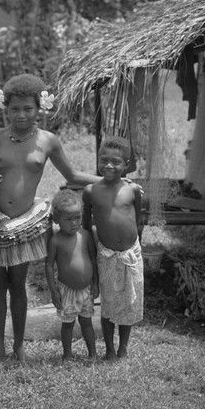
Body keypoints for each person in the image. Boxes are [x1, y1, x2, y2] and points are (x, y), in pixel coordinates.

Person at [0, 74, 102, 363]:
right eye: (15, 109)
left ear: (40, 108)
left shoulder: (48, 141)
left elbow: (71, 176)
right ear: (5, 109)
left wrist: (114, 179)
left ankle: (18, 346)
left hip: (23, 223)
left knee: (18, 285)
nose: (21, 115)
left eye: (28, 109)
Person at [82, 135, 144, 361]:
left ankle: (123, 348)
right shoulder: (90, 191)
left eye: (116, 162)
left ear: (126, 165)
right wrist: (90, 252)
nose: (109, 165)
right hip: (106, 255)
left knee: (129, 301)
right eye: (104, 160)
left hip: (131, 253)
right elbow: (86, 226)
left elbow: (138, 219)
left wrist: (135, 245)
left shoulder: (133, 190)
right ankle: (109, 348)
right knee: (108, 303)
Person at [45, 189, 99, 361]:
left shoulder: (85, 235)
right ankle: (67, 355)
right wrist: (53, 291)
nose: (74, 223)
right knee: (67, 325)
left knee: (87, 323)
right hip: (66, 291)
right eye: (68, 219)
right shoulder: (56, 241)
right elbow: (48, 266)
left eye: (77, 217)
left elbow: (93, 258)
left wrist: (96, 283)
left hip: (87, 290)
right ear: (56, 220)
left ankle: (93, 354)